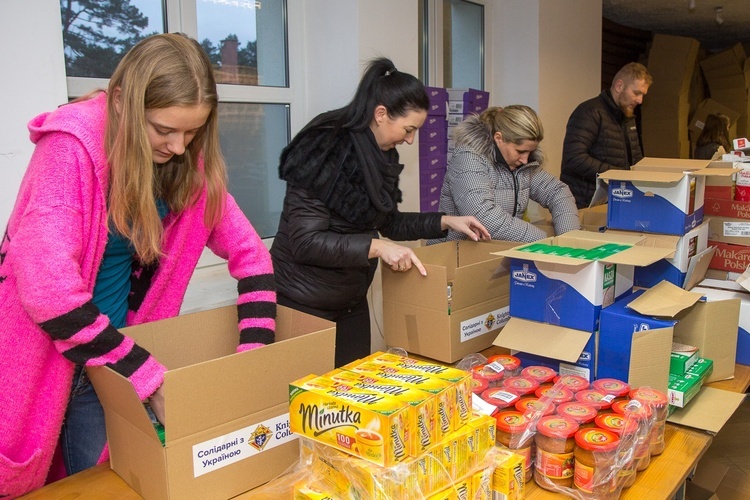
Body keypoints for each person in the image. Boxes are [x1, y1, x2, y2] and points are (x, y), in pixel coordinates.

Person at [0, 33, 276, 498]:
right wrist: (148, 377)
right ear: (125, 100)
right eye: (164, 130)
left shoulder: (185, 163)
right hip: (55, 354)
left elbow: (254, 258)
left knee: (115, 480)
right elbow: (49, 291)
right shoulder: (71, 147)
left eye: (191, 132)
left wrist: (253, 357)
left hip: (112, 361)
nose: (179, 147)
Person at [271, 57, 490, 368]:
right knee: (313, 407)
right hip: (304, 301)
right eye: (408, 129)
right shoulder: (324, 149)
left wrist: (444, 220)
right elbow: (306, 242)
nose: (411, 139)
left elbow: (387, 222)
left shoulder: (380, 154)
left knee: (355, 396)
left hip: (349, 299)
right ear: (381, 114)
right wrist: (376, 246)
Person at [430, 106, 580, 243]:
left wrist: (569, 240)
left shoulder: (522, 166)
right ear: (499, 138)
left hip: (493, 254)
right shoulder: (468, 159)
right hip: (455, 256)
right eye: (520, 151)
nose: (525, 159)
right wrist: (544, 242)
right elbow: (483, 215)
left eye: (530, 152)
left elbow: (557, 192)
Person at [560, 62, 653, 208]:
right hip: (585, 204)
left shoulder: (628, 118)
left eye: (643, 95)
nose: (640, 101)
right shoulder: (589, 112)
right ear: (619, 86)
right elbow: (574, 158)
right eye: (636, 93)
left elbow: (635, 160)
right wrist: (618, 174)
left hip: (616, 201)